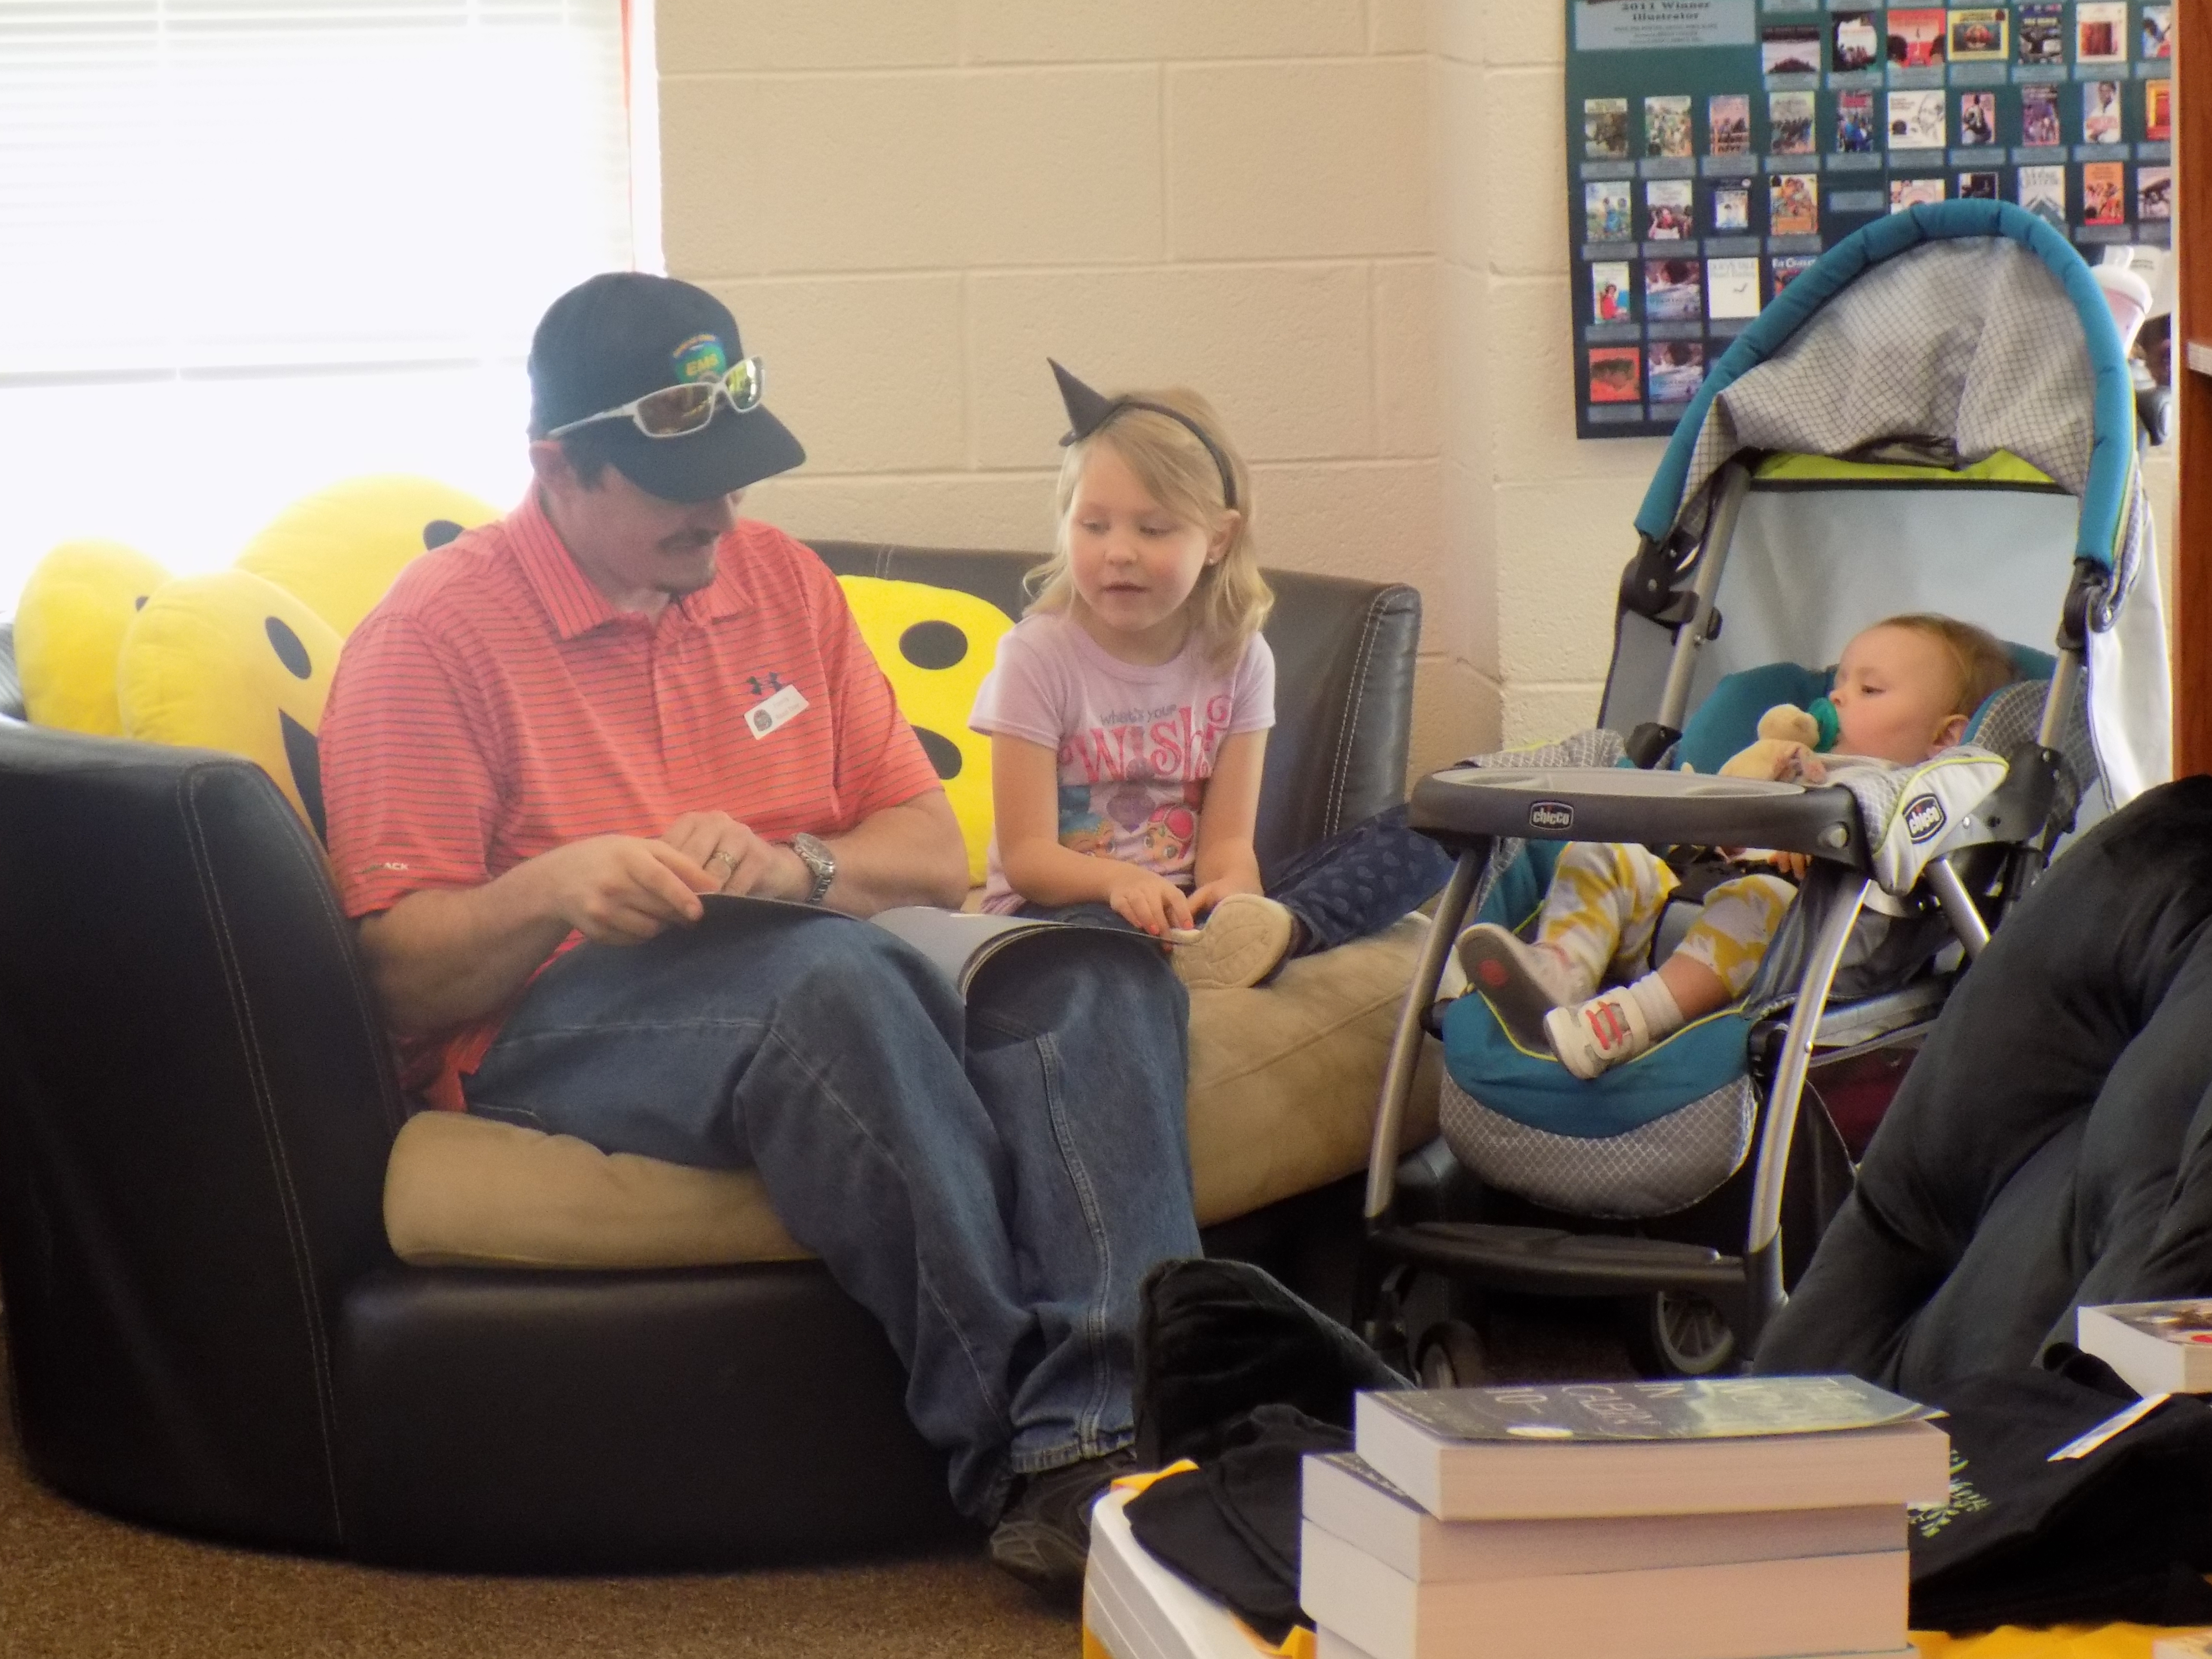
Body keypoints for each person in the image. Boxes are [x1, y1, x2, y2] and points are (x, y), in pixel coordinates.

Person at [318, 274, 1201, 1600]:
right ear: (557, 467)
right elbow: (397, 981)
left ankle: (1113, 1437)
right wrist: (554, 887)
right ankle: (1029, 1462)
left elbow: (930, 852)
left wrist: (800, 865)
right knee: (833, 986)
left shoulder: (781, 579)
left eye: (734, 476)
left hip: (815, 943)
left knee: (1096, 972)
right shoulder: (431, 638)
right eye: (682, 488)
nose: (723, 514)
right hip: (561, 1012)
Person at [969, 362, 1455, 991]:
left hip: (1188, 906)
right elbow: (1028, 858)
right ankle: (1179, 958)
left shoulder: (1241, 656)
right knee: (1102, 940)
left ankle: (1278, 931)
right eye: (1093, 525)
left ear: (1220, 538)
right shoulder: (1036, 657)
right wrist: (1121, 883)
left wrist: (1234, 891)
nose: (1119, 551)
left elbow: (1227, 845)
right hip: (1062, 910)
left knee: (1434, 832)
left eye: (1153, 529)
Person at [1458, 614, 2017, 1078]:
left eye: (1869, 690)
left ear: (1945, 735)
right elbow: (1726, 835)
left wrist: (1833, 827)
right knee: (1600, 853)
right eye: (1841, 683)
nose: (1838, 696)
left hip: (1795, 949)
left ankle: (1627, 1021)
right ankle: (1562, 974)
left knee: (1756, 897)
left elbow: (1926, 804)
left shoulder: (1920, 787)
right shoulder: (1795, 760)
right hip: (1689, 906)